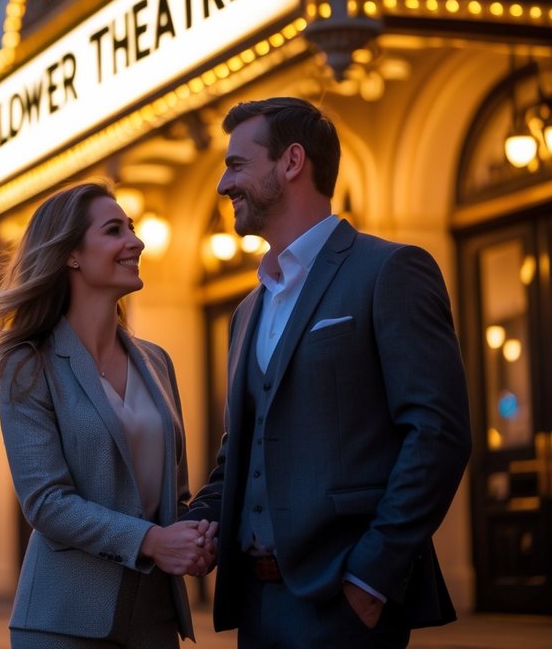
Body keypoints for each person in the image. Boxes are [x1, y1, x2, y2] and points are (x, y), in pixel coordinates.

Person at [185, 97, 472, 648]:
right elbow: (243, 451)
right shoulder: (246, 311)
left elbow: (439, 433)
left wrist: (372, 573)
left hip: (346, 605)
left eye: (237, 164)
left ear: (292, 162)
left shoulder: (389, 270)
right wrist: (191, 526)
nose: (224, 185)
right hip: (256, 608)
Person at [0, 180, 217, 649]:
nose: (136, 241)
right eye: (114, 230)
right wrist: (152, 541)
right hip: (64, 620)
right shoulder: (27, 362)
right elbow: (45, 502)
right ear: (71, 255)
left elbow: (175, 494)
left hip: (155, 619)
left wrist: (196, 539)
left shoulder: (157, 361)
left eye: (132, 227)